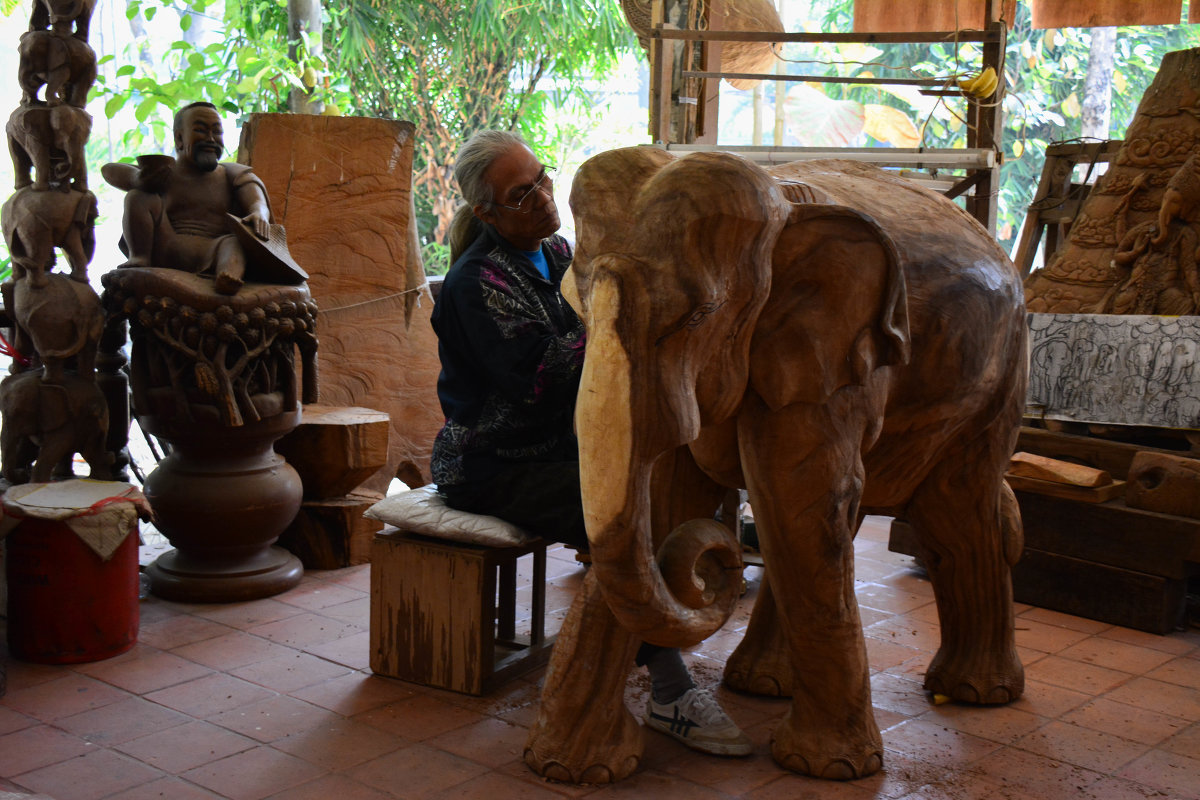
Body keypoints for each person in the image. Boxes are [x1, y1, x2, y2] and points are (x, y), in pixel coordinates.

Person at [430, 129, 751, 757]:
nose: (545, 197)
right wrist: (619, 310)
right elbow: (539, 383)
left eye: (543, 178)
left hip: (559, 445)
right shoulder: (476, 283)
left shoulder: (555, 249)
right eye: (522, 194)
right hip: (492, 460)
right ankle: (668, 688)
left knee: (668, 484)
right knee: (614, 516)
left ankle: (642, 646)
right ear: (485, 212)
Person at [109, 102, 276, 295]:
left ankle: (228, 275)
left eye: (217, 132)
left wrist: (259, 213)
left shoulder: (230, 174)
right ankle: (139, 257)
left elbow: (256, 197)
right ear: (179, 138)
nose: (211, 139)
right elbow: (110, 170)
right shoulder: (164, 173)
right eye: (201, 131)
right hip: (165, 245)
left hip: (213, 249)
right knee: (138, 196)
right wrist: (137, 178)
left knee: (234, 244)